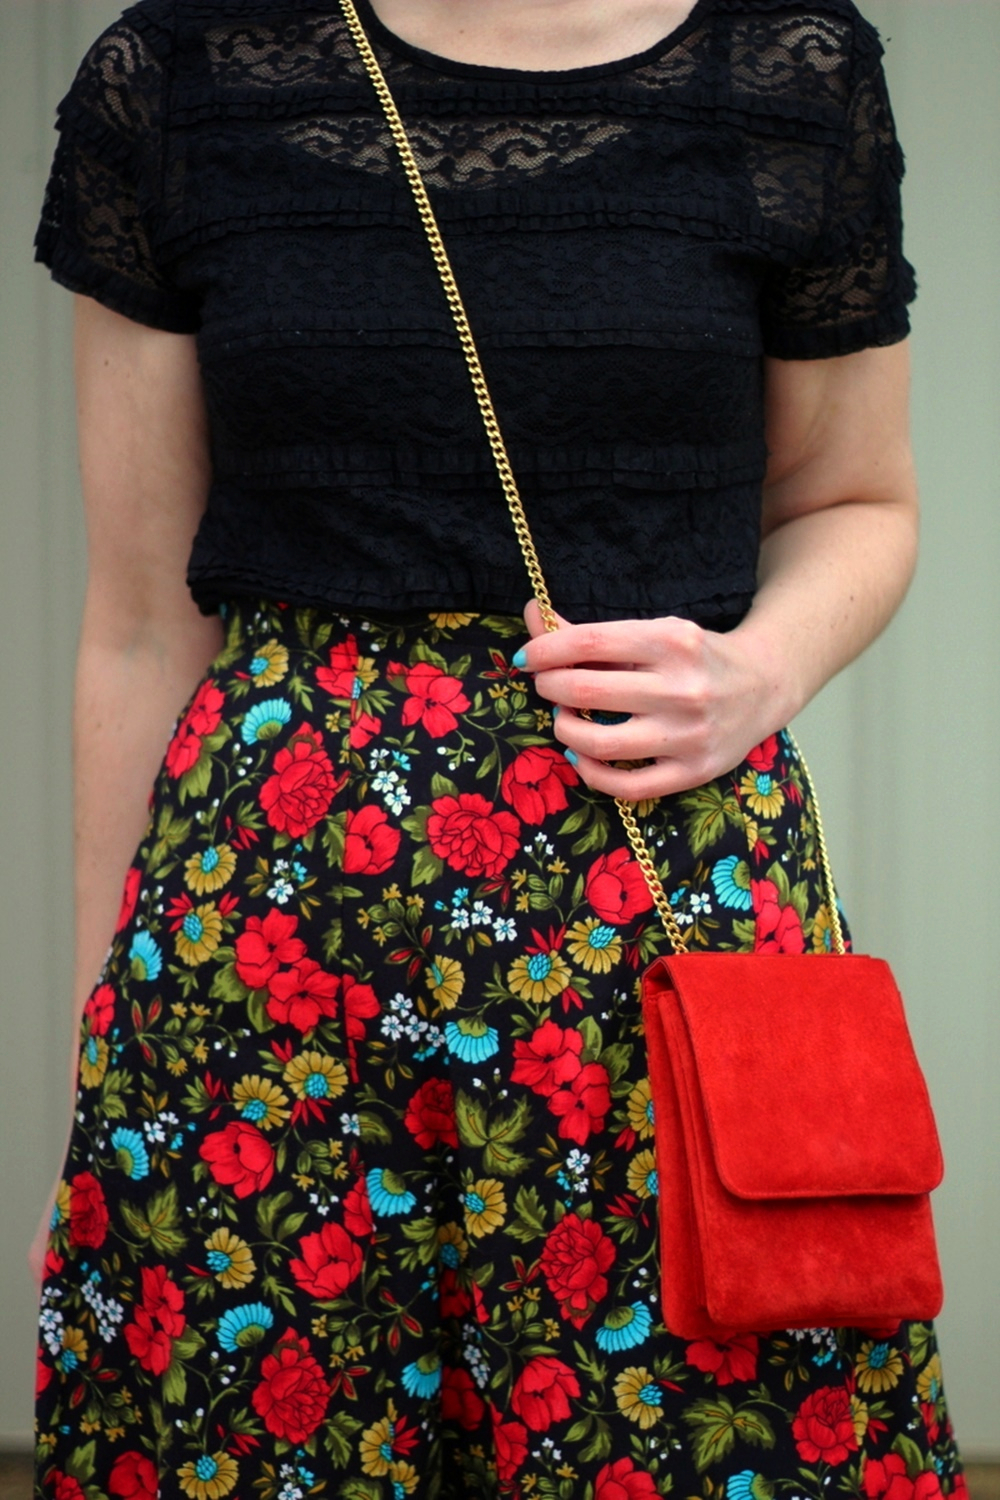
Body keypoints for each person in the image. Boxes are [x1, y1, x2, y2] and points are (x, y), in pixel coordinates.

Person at [31, 1, 964, 1497]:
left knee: (696, 1446)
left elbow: (861, 498)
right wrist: (98, 1081)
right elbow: (142, 625)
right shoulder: (184, 73)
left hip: (664, 936)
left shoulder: (789, 69)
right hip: (258, 968)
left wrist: (759, 670)